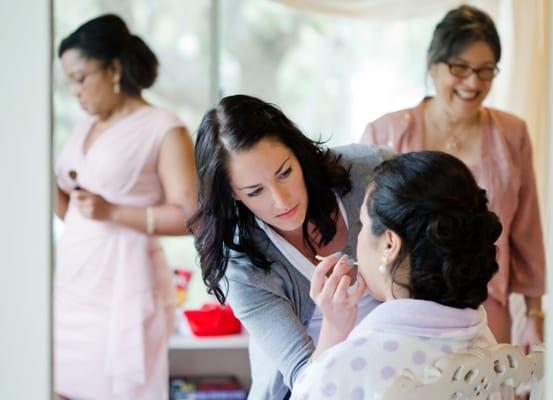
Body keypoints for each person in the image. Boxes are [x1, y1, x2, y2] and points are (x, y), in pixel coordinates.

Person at [361, 5, 545, 347]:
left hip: (488, 307)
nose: (473, 82)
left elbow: (527, 230)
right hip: (404, 313)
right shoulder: (384, 134)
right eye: (460, 68)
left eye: (486, 70)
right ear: (433, 65)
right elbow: (367, 234)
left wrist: (534, 315)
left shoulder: (512, 134)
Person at [186, 94, 392, 399]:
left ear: (299, 154)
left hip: (397, 375)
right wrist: (335, 326)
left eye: (285, 173)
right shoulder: (241, 264)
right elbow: (304, 382)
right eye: (255, 191)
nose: (282, 201)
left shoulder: (369, 172)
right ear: (232, 194)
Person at [54, 14, 197, 400]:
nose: (75, 91)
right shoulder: (84, 128)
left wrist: (114, 213)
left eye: (81, 78)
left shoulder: (163, 127)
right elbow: (74, 212)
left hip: (121, 287)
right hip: (72, 284)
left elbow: (190, 214)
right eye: (69, 81)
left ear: (114, 68)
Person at [292, 151, 508, 399]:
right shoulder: (485, 342)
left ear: (389, 245)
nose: (358, 238)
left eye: (362, 225)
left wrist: (333, 333)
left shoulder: (350, 368)